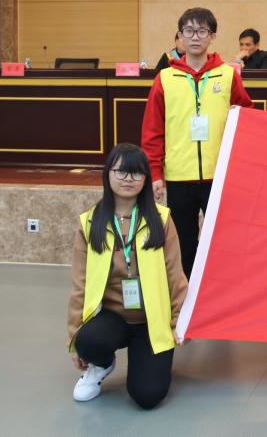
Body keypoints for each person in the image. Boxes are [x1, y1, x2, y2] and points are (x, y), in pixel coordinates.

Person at [67, 143, 188, 409]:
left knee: (147, 395)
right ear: (107, 174)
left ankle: (147, 362)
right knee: (88, 341)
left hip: (151, 321)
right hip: (112, 318)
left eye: (136, 172)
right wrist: (74, 339)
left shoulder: (161, 219)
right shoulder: (89, 222)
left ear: (145, 178)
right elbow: (80, 285)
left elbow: (175, 275)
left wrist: (179, 321)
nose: (128, 178)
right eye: (120, 171)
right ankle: (101, 365)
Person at [142, 7, 253, 277]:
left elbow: (246, 119)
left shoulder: (227, 75)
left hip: (219, 175)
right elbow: (152, 131)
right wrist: (155, 173)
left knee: (222, 242)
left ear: (212, 36)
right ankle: (187, 298)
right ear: (180, 36)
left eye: (202, 31)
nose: (195, 37)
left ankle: (219, 293)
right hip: (179, 176)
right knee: (184, 245)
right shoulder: (164, 78)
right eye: (189, 31)